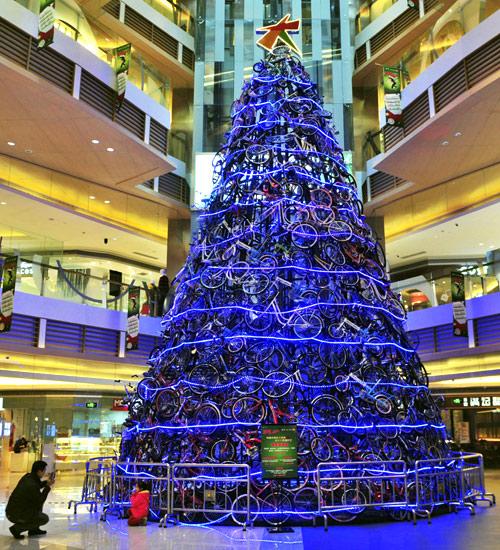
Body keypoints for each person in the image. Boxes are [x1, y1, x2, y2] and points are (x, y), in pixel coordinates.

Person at [6, 460, 55, 539]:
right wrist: (47, 487)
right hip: (15, 514)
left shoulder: (28, 477)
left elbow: (37, 485)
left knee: (36, 506)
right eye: (44, 471)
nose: (45, 473)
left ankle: (34, 530)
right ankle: (16, 529)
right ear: (39, 471)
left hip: (12, 510)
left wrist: (46, 483)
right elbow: (40, 500)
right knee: (44, 519)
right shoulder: (31, 484)